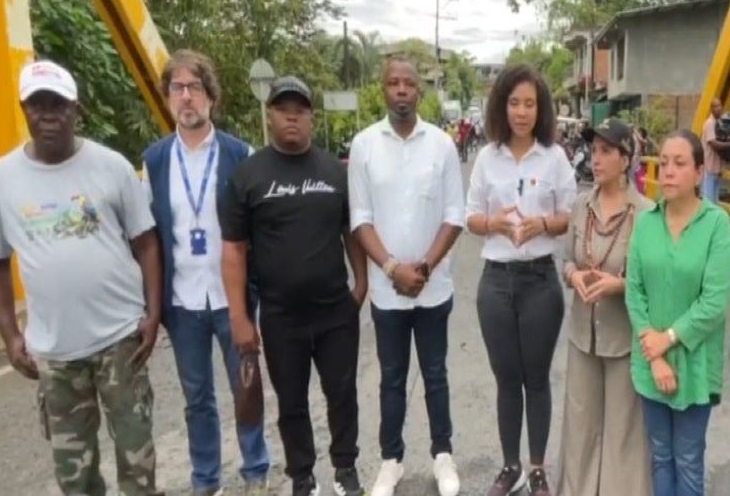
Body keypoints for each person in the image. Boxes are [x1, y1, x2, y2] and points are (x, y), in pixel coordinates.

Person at [0, 60, 164, 495]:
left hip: (120, 341)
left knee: (138, 462)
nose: (48, 115)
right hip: (55, 354)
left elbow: (147, 242)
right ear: (24, 111)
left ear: (76, 109)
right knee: (75, 476)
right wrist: (10, 336)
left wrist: (153, 314)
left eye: (57, 105)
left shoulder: (111, 167)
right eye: (37, 105)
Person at [220, 75, 370, 496]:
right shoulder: (248, 176)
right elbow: (233, 250)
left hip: (335, 311)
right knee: (291, 403)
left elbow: (351, 231)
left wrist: (360, 285)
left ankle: (345, 470)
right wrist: (238, 316)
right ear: (270, 115)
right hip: (281, 316)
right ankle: (302, 477)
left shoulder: (334, 172)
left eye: (300, 109)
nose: (292, 116)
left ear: (311, 117)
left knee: (342, 395)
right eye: (283, 108)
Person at [142, 49, 269, 495]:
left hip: (233, 298)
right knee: (197, 398)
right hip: (183, 301)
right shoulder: (154, 160)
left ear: (211, 97)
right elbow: (150, 238)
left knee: (246, 387)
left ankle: (256, 470)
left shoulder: (240, 154)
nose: (186, 97)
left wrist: (258, 299)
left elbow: (258, 230)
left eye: (195, 87)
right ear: (167, 98)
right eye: (177, 88)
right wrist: (152, 307)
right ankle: (206, 479)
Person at [348, 57, 465, 496]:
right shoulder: (364, 145)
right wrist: (393, 269)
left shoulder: (442, 145)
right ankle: (391, 461)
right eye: (393, 83)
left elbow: (455, 215)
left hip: (434, 289)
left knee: (435, 374)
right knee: (392, 377)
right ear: (383, 90)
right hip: (386, 290)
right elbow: (360, 218)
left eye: (409, 83)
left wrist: (425, 268)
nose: (401, 90)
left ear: (420, 91)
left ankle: (443, 456)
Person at [465, 64, 578, 496]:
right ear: (502, 106)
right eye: (514, 102)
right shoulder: (487, 157)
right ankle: (509, 465)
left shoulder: (554, 158)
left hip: (539, 284)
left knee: (537, 378)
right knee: (507, 379)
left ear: (541, 108)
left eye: (530, 103)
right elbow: (470, 216)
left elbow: (570, 215)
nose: (522, 112)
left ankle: (536, 469)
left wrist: (544, 225)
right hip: (495, 283)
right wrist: (493, 222)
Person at [625, 129, 730, 496]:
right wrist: (654, 353)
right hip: (649, 363)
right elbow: (634, 290)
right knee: (659, 455)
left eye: (680, 163)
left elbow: (715, 301)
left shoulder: (716, 224)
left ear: (700, 172)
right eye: (664, 162)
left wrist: (668, 340)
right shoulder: (646, 221)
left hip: (694, 365)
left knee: (688, 459)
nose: (669, 171)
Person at [556, 118, 653, 496]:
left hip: (624, 338)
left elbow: (651, 285)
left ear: (626, 158)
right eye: (594, 151)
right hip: (582, 336)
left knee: (623, 431)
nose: (596, 159)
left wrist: (620, 286)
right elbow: (566, 259)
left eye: (606, 151)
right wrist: (573, 276)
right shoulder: (582, 205)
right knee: (580, 424)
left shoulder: (646, 214)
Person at [700, 98, 730, 201]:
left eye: (720, 105)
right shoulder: (709, 123)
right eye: (716, 106)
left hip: (718, 170)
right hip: (709, 169)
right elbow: (714, 144)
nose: (719, 108)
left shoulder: (721, 123)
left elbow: (725, 138)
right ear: (711, 109)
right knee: (708, 201)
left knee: (715, 201)